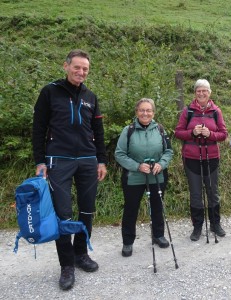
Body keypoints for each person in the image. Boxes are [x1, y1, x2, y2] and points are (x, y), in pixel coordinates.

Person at [32, 49, 107, 290]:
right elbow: (39, 128)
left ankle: (81, 254)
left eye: (85, 69)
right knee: (63, 213)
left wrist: (101, 160)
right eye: (77, 67)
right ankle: (66, 265)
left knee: (87, 211)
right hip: (58, 160)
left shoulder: (91, 97)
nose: (81, 72)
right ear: (66, 66)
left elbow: (99, 132)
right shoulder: (50, 92)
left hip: (87, 159)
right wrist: (40, 161)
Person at [115, 98, 174, 256]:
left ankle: (158, 235)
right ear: (137, 112)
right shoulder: (129, 130)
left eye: (148, 110)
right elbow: (119, 154)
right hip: (134, 177)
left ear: (153, 113)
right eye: (142, 110)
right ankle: (128, 242)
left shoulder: (160, 129)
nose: (145, 113)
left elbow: (168, 151)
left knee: (157, 206)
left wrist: (161, 163)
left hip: (157, 175)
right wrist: (137, 166)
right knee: (131, 209)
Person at [174, 79, 228, 241]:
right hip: (192, 158)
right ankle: (197, 227)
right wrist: (192, 132)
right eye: (199, 91)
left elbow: (223, 134)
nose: (202, 93)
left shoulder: (216, 111)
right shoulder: (188, 111)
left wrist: (209, 135)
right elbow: (178, 132)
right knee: (196, 194)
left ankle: (215, 224)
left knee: (213, 192)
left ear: (210, 92)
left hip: (211, 158)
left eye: (205, 90)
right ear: (195, 93)